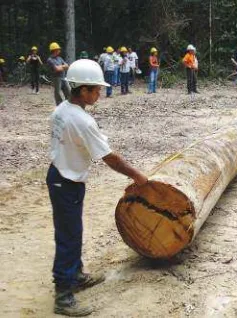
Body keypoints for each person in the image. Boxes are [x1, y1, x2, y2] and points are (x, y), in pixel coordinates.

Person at [46, 59, 148, 316]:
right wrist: (137, 176)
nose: (99, 94)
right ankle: (64, 295)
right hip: (65, 181)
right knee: (68, 237)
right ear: (82, 90)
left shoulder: (61, 110)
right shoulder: (82, 121)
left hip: (61, 175)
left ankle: (76, 275)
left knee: (73, 231)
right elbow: (110, 157)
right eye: (96, 90)